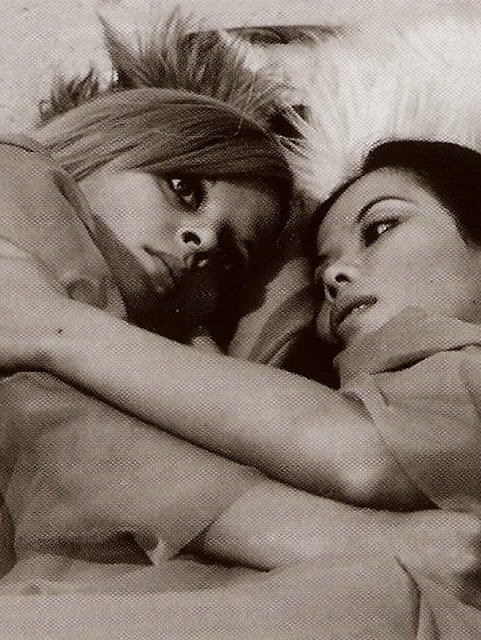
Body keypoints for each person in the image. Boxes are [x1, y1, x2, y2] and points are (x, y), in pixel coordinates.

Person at [3, 127, 481, 610]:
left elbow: (363, 452)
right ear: (109, 141)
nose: (205, 239)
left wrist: (56, 327)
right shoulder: (18, 175)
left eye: (230, 261)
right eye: (185, 189)